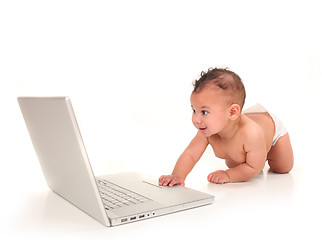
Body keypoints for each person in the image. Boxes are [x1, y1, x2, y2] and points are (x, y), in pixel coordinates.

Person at [159, 68, 294, 186]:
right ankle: (254, 154)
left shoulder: (251, 132)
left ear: (232, 112)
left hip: (270, 129)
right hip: (236, 128)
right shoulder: (208, 130)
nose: (196, 119)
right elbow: (191, 154)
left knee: (282, 167)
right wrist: (177, 175)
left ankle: (262, 153)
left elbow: (255, 166)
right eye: (194, 110)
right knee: (235, 163)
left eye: (204, 112)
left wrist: (229, 175)